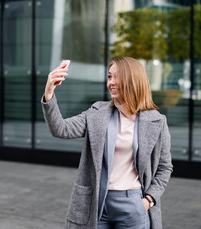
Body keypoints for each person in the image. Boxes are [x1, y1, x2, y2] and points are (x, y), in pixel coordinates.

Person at [41, 57, 173, 229]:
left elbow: (165, 167)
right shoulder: (97, 113)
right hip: (97, 202)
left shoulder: (156, 121)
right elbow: (61, 129)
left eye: (116, 77)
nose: (111, 82)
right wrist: (49, 92)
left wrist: (148, 200)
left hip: (133, 203)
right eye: (109, 77)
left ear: (132, 80)